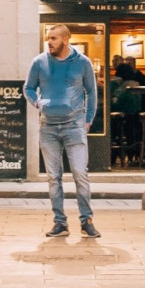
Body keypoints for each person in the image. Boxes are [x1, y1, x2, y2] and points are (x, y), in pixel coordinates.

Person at [24, 25, 99, 239]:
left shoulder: (82, 63)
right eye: (49, 38)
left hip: (74, 127)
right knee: (53, 177)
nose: (49, 42)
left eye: (54, 38)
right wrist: (37, 102)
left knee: (79, 174)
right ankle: (60, 222)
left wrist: (87, 121)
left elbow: (91, 93)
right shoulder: (39, 62)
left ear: (66, 40)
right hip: (47, 127)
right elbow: (28, 88)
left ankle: (86, 221)